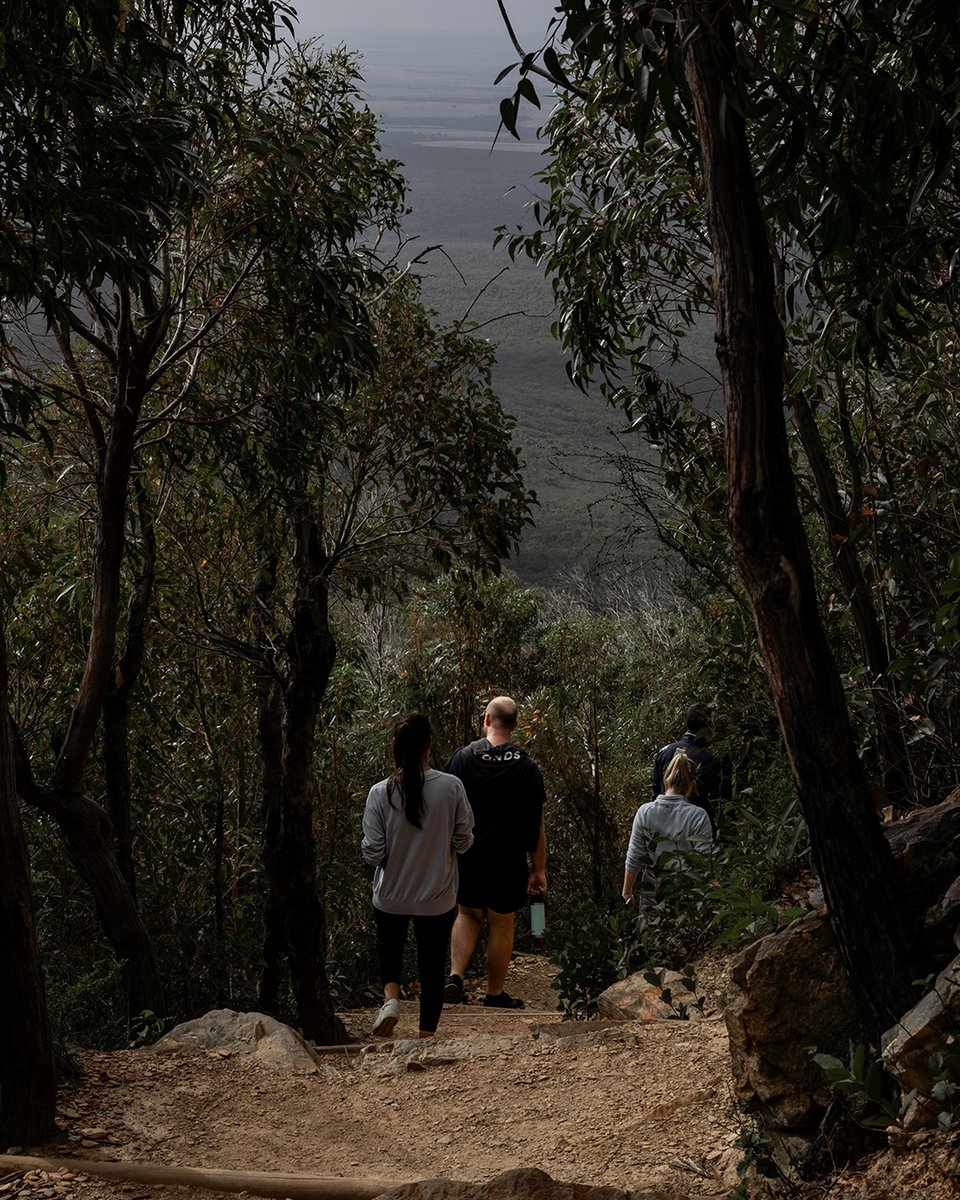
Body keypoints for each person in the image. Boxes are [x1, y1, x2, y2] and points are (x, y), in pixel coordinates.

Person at [361, 712, 474, 1039]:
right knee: (432, 964)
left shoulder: (379, 793)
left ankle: (392, 1000)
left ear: (396, 746)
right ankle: (425, 1037)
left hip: (390, 895)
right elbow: (465, 840)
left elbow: (374, 853)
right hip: (436, 896)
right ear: (428, 743)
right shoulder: (451, 788)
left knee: (389, 948)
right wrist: (446, 843)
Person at [443, 695, 547, 1010]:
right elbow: (537, 825)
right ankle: (494, 993)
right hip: (508, 859)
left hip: (468, 856)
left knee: (467, 913)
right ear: (515, 726)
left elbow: (445, 808)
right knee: (502, 923)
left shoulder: (461, 758)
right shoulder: (527, 767)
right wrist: (538, 869)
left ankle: (455, 976)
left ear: (487, 720)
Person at [623, 749, 714, 907]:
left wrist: (627, 892)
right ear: (691, 784)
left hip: (652, 885)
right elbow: (705, 860)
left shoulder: (645, 812)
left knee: (650, 929)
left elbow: (635, 855)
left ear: (666, 779)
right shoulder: (698, 815)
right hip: (686, 887)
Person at [650, 702, 729, 838]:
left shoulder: (664, 752)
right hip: (699, 831)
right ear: (709, 726)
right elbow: (724, 801)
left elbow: (655, 793)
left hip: (663, 830)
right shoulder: (715, 757)